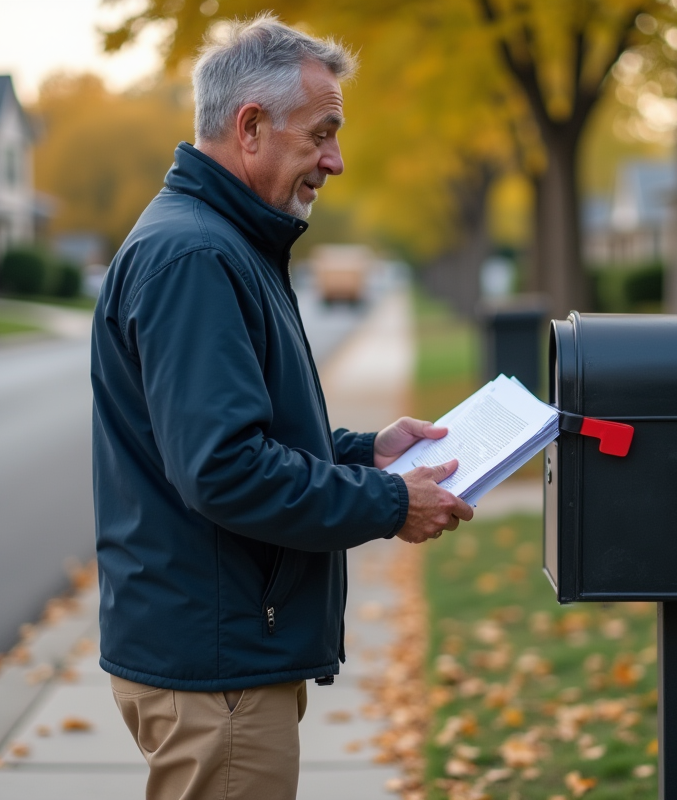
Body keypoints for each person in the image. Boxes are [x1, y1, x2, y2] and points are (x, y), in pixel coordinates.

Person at [90, 13, 474, 800]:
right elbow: (225, 470)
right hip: (217, 661)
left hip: (217, 646)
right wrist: (390, 501)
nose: (335, 160)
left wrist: (364, 452)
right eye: (322, 133)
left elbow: (239, 432)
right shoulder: (197, 255)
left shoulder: (224, 241)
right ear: (252, 126)